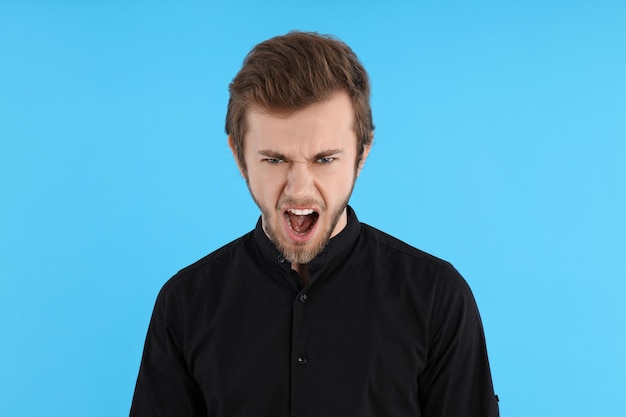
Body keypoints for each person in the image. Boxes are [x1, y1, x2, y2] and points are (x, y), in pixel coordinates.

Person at [130, 31, 499, 417]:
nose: (299, 188)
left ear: (361, 155)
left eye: (324, 159)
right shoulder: (185, 304)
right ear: (239, 158)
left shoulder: (438, 298)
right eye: (274, 160)